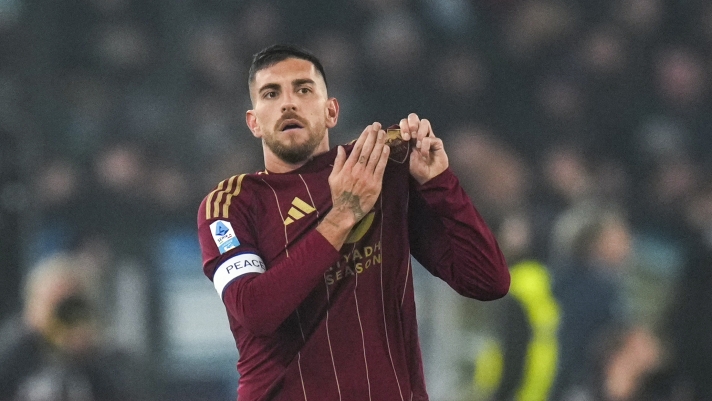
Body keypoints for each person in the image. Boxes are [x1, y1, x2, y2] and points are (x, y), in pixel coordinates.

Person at [196, 44, 510, 401]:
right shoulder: (230, 205)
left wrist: (439, 182)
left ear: (331, 111)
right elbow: (256, 311)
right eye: (271, 93)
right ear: (254, 121)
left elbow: (489, 281)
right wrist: (342, 216)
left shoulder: (378, 173)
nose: (288, 103)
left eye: (303, 89)